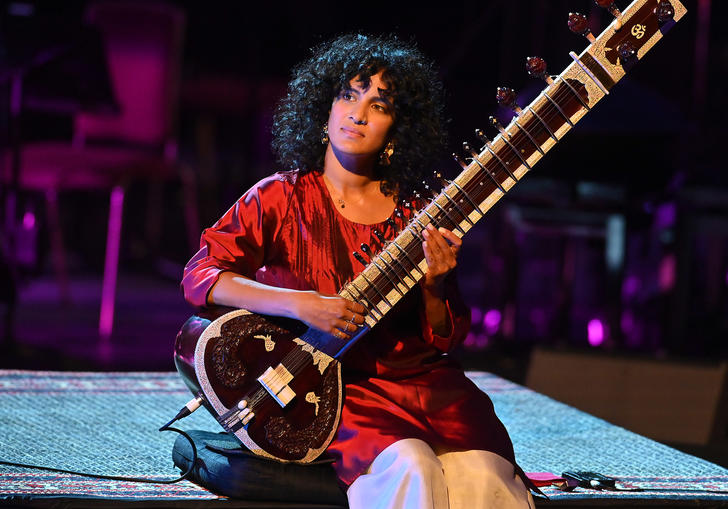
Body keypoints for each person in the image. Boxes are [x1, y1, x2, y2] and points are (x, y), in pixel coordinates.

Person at [181, 33, 535, 509]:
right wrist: (301, 304)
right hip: (347, 387)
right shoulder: (279, 198)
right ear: (323, 108)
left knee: (482, 474)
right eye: (349, 95)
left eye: (380, 105)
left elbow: (446, 337)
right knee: (411, 467)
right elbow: (201, 276)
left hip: (430, 385)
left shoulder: (419, 214)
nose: (359, 113)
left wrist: (434, 285)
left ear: (397, 129)